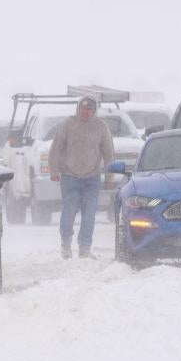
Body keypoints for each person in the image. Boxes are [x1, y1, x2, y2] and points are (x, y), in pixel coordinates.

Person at [49, 95, 115, 259]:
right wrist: (53, 171)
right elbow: (56, 148)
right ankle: (66, 244)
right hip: (69, 177)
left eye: (90, 109)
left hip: (92, 178)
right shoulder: (68, 124)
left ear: (94, 111)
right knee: (69, 212)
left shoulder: (101, 126)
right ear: (78, 108)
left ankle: (85, 248)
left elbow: (108, 153)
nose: (86, 112)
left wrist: (109, 177)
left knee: (89, 215)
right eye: (83, 108)